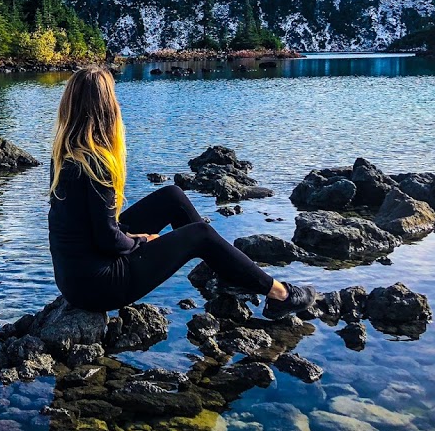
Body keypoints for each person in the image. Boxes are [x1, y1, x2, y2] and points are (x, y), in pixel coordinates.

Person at [48, 65, 317, 316]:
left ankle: (226, 271)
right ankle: (281, 295)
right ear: (106, 109)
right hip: (99, 287)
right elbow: (106, 239)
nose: (118, 104)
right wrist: (141, 241)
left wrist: (132, 237)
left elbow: (95, 232)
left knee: (172, 197)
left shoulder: (66, 155)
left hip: (76, 278)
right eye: (114, 99)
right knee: (200, 235)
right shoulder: (97, 162)